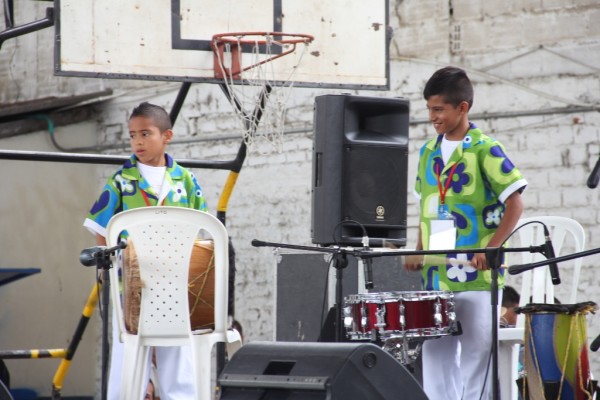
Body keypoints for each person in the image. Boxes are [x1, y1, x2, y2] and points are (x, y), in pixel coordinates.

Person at [405, 66, 527, 399]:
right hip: (435, 275)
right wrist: (418, 249)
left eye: (439, 109)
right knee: (435, 353)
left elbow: (515, 204)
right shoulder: (427, 152)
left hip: (477, 275)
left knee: (477, 355)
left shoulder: (486, 148)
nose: (432, 116)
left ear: (463, 107)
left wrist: (492, 247)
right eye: (429, 109)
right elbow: (426, 208)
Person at [83, 102, 207, 400]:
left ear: (167, 136)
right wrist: (107, 273)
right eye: (132, 135)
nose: (137, 141)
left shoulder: (186, 180)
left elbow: (201, 227)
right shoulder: (120, 182)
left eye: (145, 134)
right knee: (130, 353)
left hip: (179, 283)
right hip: (133, 284)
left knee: (178, 353)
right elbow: (102, 230)